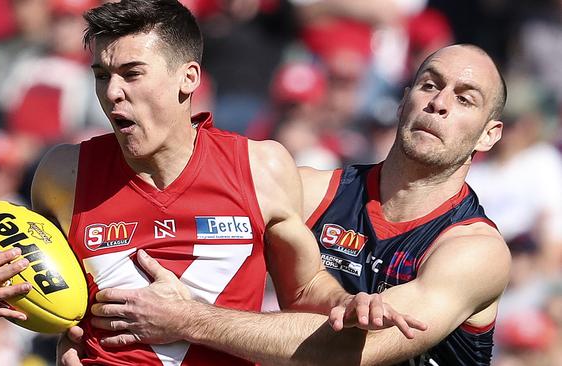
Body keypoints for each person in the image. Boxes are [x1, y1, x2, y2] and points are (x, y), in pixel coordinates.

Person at [0, 1, 424, 365]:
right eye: (101, 75)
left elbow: (306, 288)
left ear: (187, 78)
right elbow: (31, 282)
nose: (112, 93)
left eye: (131, 73)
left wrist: (347, 303)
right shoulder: (65, 172)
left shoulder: (260, 166)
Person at [79, 44, 511, 366]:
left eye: (464, 98)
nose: (439, 103)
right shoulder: (308, 191)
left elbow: (353, 351)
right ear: (403, 99)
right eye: (429, 85)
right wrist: (73, 328)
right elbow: (156, 227)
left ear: (489, 135)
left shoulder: (474, 250)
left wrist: (189, 319)